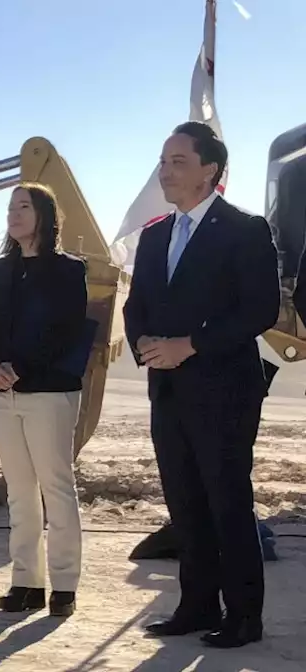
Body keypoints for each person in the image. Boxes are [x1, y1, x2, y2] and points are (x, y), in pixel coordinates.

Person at [123, 121, 280, 649]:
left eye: (178, 161)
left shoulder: (245, 229)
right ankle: (195, 606)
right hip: (167, 392)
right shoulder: (154, 234)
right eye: (163, 161)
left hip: (224, 391)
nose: (165, 170)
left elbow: (259, 309)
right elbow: (136, 304)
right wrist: (145, 342)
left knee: (227, 503)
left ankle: (243, 616)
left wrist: (189, 345)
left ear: (210, 170)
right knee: (184, 503)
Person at [0, 183, 90, 618]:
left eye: (23, 206)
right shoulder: (0, 269)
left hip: (49, 392)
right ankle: (26, 582)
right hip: (2, 394)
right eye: (10, 208)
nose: (13, 214)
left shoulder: (68, 270)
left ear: (45, 214)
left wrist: (17, 366)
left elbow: (65, 332)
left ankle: (64, 584)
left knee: (56, 487)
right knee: (20, 492)